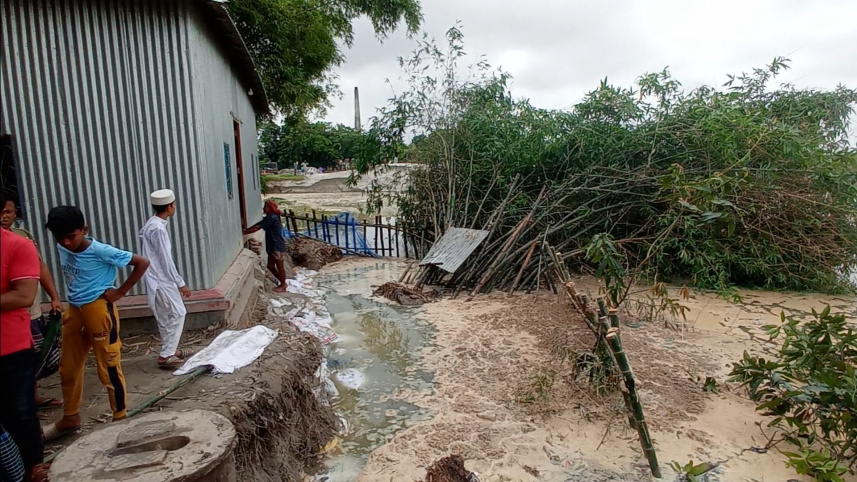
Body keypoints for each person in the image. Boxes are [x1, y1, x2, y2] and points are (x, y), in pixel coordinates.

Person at [42, 206, 150, 441]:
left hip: (98, 309)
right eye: (60, 238)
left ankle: (120, 418)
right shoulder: (62, 246)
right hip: (75, 310)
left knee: (108, 366)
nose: (67, 243)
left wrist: (121, 291)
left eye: (72, 236)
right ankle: (70, 416)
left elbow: (142, 262)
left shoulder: (101, 250)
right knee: (68, 368)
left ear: (84, 229)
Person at [1, 194, 65, 410]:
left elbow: (41, 267)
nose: (4, 217)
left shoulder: (22, 239)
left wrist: (55, 297)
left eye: (8, 212)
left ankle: (30, 399)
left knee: (31, 359)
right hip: (10, 318)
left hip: (30, 311)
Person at [1, 223, 46, 480]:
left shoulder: (18, 244)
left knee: (19, 411)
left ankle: (33, 465)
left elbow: (23, 296)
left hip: (10, 346)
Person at [139, 189, 193, 369]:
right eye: (174, 204)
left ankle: (170, 349)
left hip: (155, 276)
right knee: (178, 312)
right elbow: (165, 259)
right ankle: (166, 354)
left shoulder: (152, 224)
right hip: (161, 278)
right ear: (170, 206)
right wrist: (180, 283)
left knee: (165, 315)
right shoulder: (158, 229)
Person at [243, 200, 288, 293]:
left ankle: (283, 285)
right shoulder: (270, 217)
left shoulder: (272, 218)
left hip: (276, 245)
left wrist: (244, 232)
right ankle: (283, 282)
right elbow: (258, 225)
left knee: (279, 266)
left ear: (270, 208)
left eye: (265, 207)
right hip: (272, 244)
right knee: (270, 266)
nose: (263, 208)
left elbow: (258, 227)